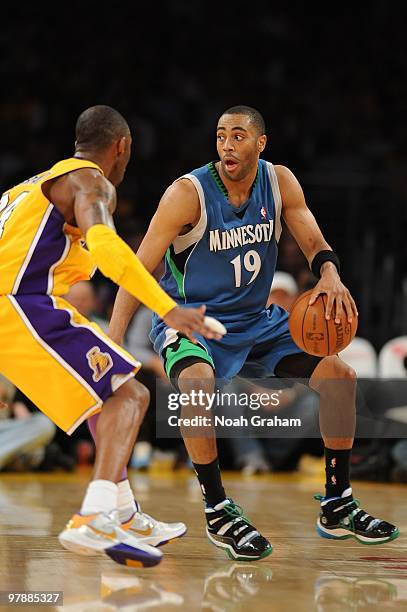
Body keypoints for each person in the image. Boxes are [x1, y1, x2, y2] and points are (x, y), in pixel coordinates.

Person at [109, 105, 399, 561]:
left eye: (238, 135)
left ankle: (337, 501)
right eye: (221, 135)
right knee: (198, 388)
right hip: (194, 321)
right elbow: (135, 269)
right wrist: (114, 341)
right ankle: (217, 506)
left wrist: (330, 275)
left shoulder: (279, 181)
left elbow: (312, 240)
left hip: (256, 321)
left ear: (260, 143)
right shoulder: (188, 194)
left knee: (340, 379)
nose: (227, 143)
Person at [0, 105, 219, 568]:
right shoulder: (91, 182)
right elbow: (106, 245)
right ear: (122, 148)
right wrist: (168, 308)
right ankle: (94, 516)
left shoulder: (23, 191)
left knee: (107, 397)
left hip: (15, 311)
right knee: (132, 394)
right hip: (24, 304)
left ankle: (123, 512)